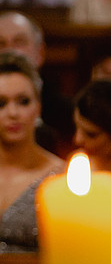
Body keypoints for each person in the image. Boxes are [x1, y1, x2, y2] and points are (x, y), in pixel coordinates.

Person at [0, 52, 63, 264]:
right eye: (1, 103)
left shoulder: (63, 178)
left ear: (38, 107)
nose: (13, 113)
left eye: (23, 101)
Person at [0, 11, 73, 156]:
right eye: (1, 44)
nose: (9, 51)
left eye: (19, 42)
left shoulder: (67, 115)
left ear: (40, 52)